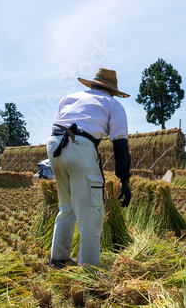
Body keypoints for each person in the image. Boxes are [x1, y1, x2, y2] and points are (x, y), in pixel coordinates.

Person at [46, 67, 132, 268]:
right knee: (92, 210)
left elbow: (65, 124)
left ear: (92, 85)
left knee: (66, 206)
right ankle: (89, 267)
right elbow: (120, 144)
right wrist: (125, 179)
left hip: (54, 145)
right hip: (80, 146)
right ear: (112, 91)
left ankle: (58, 259)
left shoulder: (69, 97)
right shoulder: (113, 104)